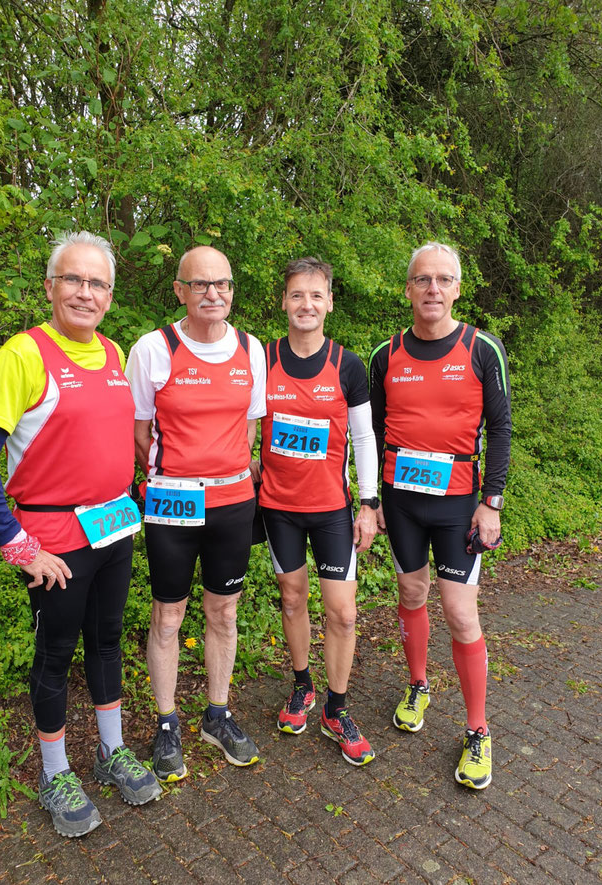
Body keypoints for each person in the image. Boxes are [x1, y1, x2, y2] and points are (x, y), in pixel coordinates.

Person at [0, 232, 161, 838]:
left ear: (110, 296)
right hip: (53, 541)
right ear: (49, 286)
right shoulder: (23, 355)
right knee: (55, 654)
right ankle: (54, 771)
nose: (85, 293)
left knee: (108, 641)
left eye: (97, 283)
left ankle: (111, 750)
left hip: (114, 526)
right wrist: (18, 544)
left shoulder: (116, 353)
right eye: (73, 279)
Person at [369, 242, 511, 790]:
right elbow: (372, 430)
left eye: (443, 280)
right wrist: (372, 499)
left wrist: (491, 502)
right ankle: (419, 684)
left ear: (457, 289)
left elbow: (499, 430)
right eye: (422, 280)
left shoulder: (481, 349)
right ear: (408, 289)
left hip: (459, 505)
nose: (432, 289)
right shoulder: (387, 354)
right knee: (411, 594)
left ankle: (478, 730)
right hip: (402, 503)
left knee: (460, 612)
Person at [126, 245, 266, 781]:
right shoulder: (153, 349)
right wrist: (178, 476)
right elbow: (140, 433)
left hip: (232, 502)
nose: (213, 294)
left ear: (231, 291)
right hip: (172, 502)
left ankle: (217, 713)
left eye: (222, 284)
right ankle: (166, 723)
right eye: (200, 285)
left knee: (224, 612)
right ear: (180, 291)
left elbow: (249, 430)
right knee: (168, 615)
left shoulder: (251, 349)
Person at [254, 257, 379, 766]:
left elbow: (366, 437)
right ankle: (302, 686)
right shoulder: (261, 358)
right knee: (292, 598)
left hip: (332, 509)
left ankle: (337, 706)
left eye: (316, 295)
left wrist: (368, 504)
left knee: (343, 613)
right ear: (284, 302)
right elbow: (242, 423)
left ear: (329, 303)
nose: (306, 304)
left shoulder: (347, 365)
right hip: (278, 508)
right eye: (296, 295)